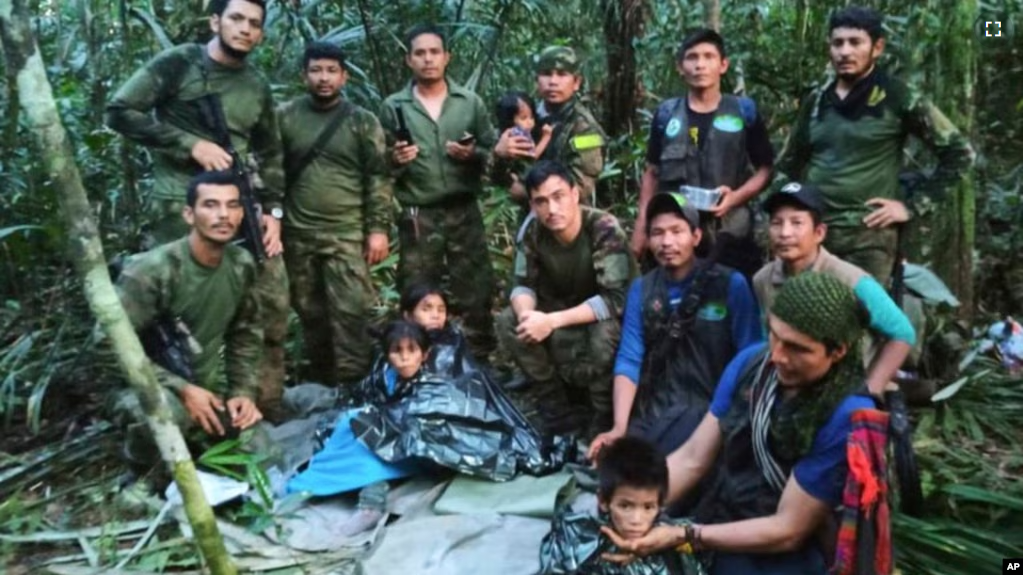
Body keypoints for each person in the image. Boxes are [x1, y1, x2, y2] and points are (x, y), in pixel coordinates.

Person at [601, 272, 877, 574]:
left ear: (837, 351)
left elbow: (789, 529)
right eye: (774, 335)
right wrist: (630, 508)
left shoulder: (847, 416)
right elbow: (693, 457)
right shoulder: (750, 365)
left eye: (797, 348)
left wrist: (685, 536)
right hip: (726, 512)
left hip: (784, 546)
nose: (777, 356)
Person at [106, 0, 290, 420]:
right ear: (215, 22)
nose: (245, 29)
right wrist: (191, 145)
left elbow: (271, 151)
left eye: (254, 24)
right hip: (180, 205)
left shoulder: (256, 85)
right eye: (236, 19)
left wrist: (272, 213)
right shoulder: (178, 65)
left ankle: (259, 406)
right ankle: (174, 408)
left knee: (269, 302)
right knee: (173, 313)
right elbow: (120, 111)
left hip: (241, 203)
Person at [777, 5, 973, 285]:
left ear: (877, 47)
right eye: (838, 43)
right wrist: (786, 218)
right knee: (806, 317)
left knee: (861, 320)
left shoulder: (898, 96)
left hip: (869, 237)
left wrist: (911, 207)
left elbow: (960, 154)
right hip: (815, 235)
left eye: (855, 42)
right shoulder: (817, 101)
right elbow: (787, 165)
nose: (845, 51)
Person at [589, 192, 762, 460]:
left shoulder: (730, 284)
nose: (667, 241)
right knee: (619, 467)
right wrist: (619, 427)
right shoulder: (642, 289)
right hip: (656, 410)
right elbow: (629, 358)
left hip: (712, 411)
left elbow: (750, 357)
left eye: (676, 231)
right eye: (657, 232)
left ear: (696, 237)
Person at [112, 171, 263, 466]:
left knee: (261, 451)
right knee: (166, 414)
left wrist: (242, 392)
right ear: (189, 214)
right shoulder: (151, 272)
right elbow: (108, 348)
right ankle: (140, 476)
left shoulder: (241, 264)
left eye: (232, 205)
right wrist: (182, 390)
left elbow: (246, 333)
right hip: (145, 385)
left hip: (204, 386)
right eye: (211, 205)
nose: (223, 215)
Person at [378, 24, 498, 362]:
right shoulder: (393, 106)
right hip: (419, 213)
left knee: (475, 284)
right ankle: (418, 357)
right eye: (420, 53)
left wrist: (471, 154)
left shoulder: (469, 103)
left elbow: (494, 151)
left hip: (464, 208)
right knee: (417, 285)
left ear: (447, 57)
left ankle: (478, 359)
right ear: (408, 60)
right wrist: (396, 159)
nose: (428, 59)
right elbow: (380, 163)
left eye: (434, 52)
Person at [277, 42, 392, 389]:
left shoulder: (361, 121)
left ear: (343, 77)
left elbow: (378, 176)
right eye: (316, 70)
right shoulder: (285, 116)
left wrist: (377, 229)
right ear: (304, 75)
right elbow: (269, 171)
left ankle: (354, 385)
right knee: (311, 313)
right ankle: (323, 383)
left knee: (351, 313)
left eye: (331, 71)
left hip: (346, 233)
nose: (323, 78)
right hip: (298, 233)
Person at [496, 160, 637, 439]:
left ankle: (602, 414)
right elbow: (522, 285)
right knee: (508, 321)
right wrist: (527, 317)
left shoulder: (602, 228)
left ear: (575, 194)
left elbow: (615, 299)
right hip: (558, 308)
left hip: (602, 314)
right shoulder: (533, 232)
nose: (552, 209)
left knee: (605, 332)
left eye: (558, 196)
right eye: (541, 202)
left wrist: (550, 321)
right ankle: (556, 407)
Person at [631, 29, 774, 279]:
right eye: (692, 57)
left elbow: (765, 169)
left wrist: (736, 197)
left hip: (729, 232)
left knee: (729, 300)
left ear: (723, 65)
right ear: (680, 66)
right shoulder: (667, 115)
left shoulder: (743, 112)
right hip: (675, 235)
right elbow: (652, 172)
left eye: (709, 57)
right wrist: (642, 225)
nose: (700, 65)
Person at [754, 182, 916, 395]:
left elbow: (902, 333)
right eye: (777, 223)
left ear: (819, 233)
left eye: (796, 223)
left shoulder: (850, 280)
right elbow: (768, 338)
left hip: (843, 388)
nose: (785, 233)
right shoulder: (762, 279)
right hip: (790, 382)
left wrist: (870, 389)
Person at [286, 320, 428, 534]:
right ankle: (336, 479)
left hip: (413, 446)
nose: (405, 357)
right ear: (387, 355)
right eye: (396, 351)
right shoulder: (385, 377)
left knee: (367, 454)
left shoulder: (435, 383)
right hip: (383, 435)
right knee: (344, 425)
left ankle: (371, 504)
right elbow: (367, 403)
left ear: (425, 354)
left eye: (412, 350)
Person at [540, 436, 694, 575]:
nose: (636, 520)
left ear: (660, 505)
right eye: (625, 506)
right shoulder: (579, 540)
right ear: (603, 501)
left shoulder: (674, 539)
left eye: (648, 507)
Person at [495, 46, 606, 205]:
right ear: (536, 81)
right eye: (546, 74)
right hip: (529, 220)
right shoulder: (523, 115)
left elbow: (580, 188)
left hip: (567, 220)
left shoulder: (585, 130)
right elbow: (494, 177)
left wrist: (526, 192)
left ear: (576, 82)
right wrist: (499, 155)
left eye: (562, 75)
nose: (553, 82)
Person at [496, 91, 554, 159]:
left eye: (531, 117)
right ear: (510, 119)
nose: (529, 122)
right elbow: (532, 156)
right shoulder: (518, 135)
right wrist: (546, 137)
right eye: (523, 118)